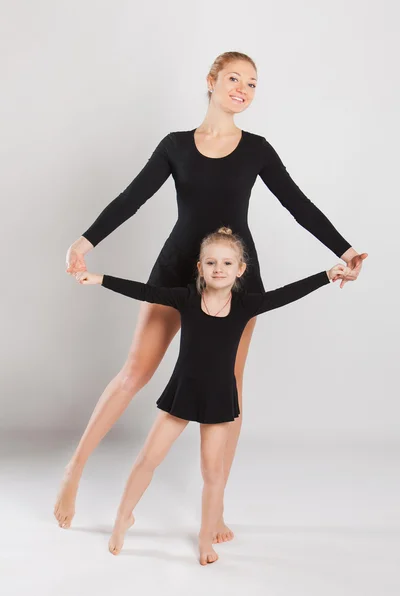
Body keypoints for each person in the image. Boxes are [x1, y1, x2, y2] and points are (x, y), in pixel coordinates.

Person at [54, 51, 366, 540]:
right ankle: (74, 469)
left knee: (229, 392)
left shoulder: (257, 149)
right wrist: (85, 241)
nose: (243, 88)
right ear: (212, 81)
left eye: (253, 83)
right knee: (135, 372)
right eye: (234, 78)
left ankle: (214, 508)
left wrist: (344, 250)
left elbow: (298, 204)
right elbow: (131, 198)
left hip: (235, 279)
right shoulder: (176, 145)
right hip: (177, 268)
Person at [74, 227, 366, 564]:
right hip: (181, 394)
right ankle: (122, 519)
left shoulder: (245, 306)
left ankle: (205, 537)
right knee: (148, 459)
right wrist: (98, 279)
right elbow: (145, 291)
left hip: (218, 401)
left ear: (240, 269)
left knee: (213, 473)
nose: (218, 269)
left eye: (227, 263)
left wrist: (328, 275)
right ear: (199, 267)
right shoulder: (185, 297)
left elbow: (286, 294)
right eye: (211, 262)